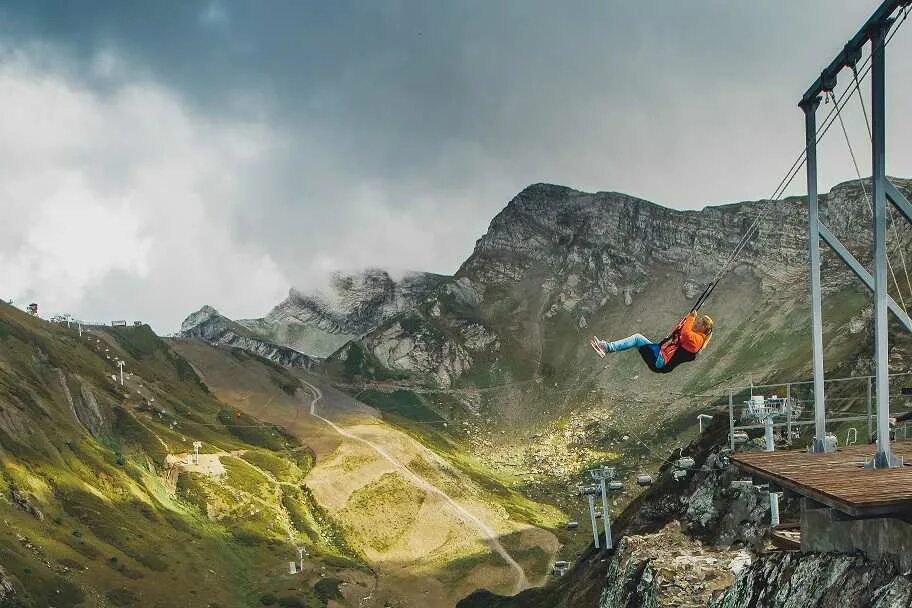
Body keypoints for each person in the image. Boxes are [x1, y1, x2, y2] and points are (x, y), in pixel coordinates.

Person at [589, 311, 713, 374]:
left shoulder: (698, 340)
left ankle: (606, 348)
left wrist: (691, 317)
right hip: (661, 357)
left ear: (705, 329)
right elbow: (680, 332)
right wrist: (686, 320)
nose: (697, 322)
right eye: (699, 320)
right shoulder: (694, 338)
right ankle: (605, 348)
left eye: (700, 322)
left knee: (637, 339)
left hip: (662, 361)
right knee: (637, 340)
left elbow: (685, 334)